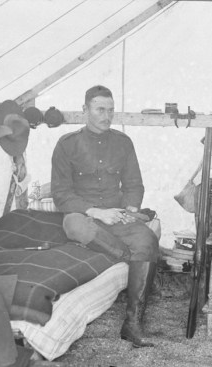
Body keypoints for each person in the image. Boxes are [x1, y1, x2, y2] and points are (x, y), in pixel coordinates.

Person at [51, 85, 160, 348]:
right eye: (100, 109)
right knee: (74, 225)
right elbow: (61, 195)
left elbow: (135, 185)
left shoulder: (123, 143)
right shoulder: (67, 145)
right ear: (85, 110)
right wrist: (98, 212)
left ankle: (132, 324)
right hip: (86, 216)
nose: (106, 116)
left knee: (146, 239)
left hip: (118, 216)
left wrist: (131, 210)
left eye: (110, 110)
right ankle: (127, 256)